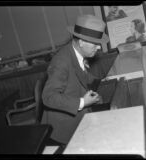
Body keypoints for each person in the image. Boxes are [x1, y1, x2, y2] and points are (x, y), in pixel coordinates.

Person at [41, 15, 109, 146]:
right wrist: (83, 102)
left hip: (79, 119)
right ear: (82, 42)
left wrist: (98, 83)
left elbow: (78, 76)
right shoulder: (61, 61)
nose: (99, 47)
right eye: (95, 43)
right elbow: (48, 97)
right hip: (62, 129)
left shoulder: (76, 52)